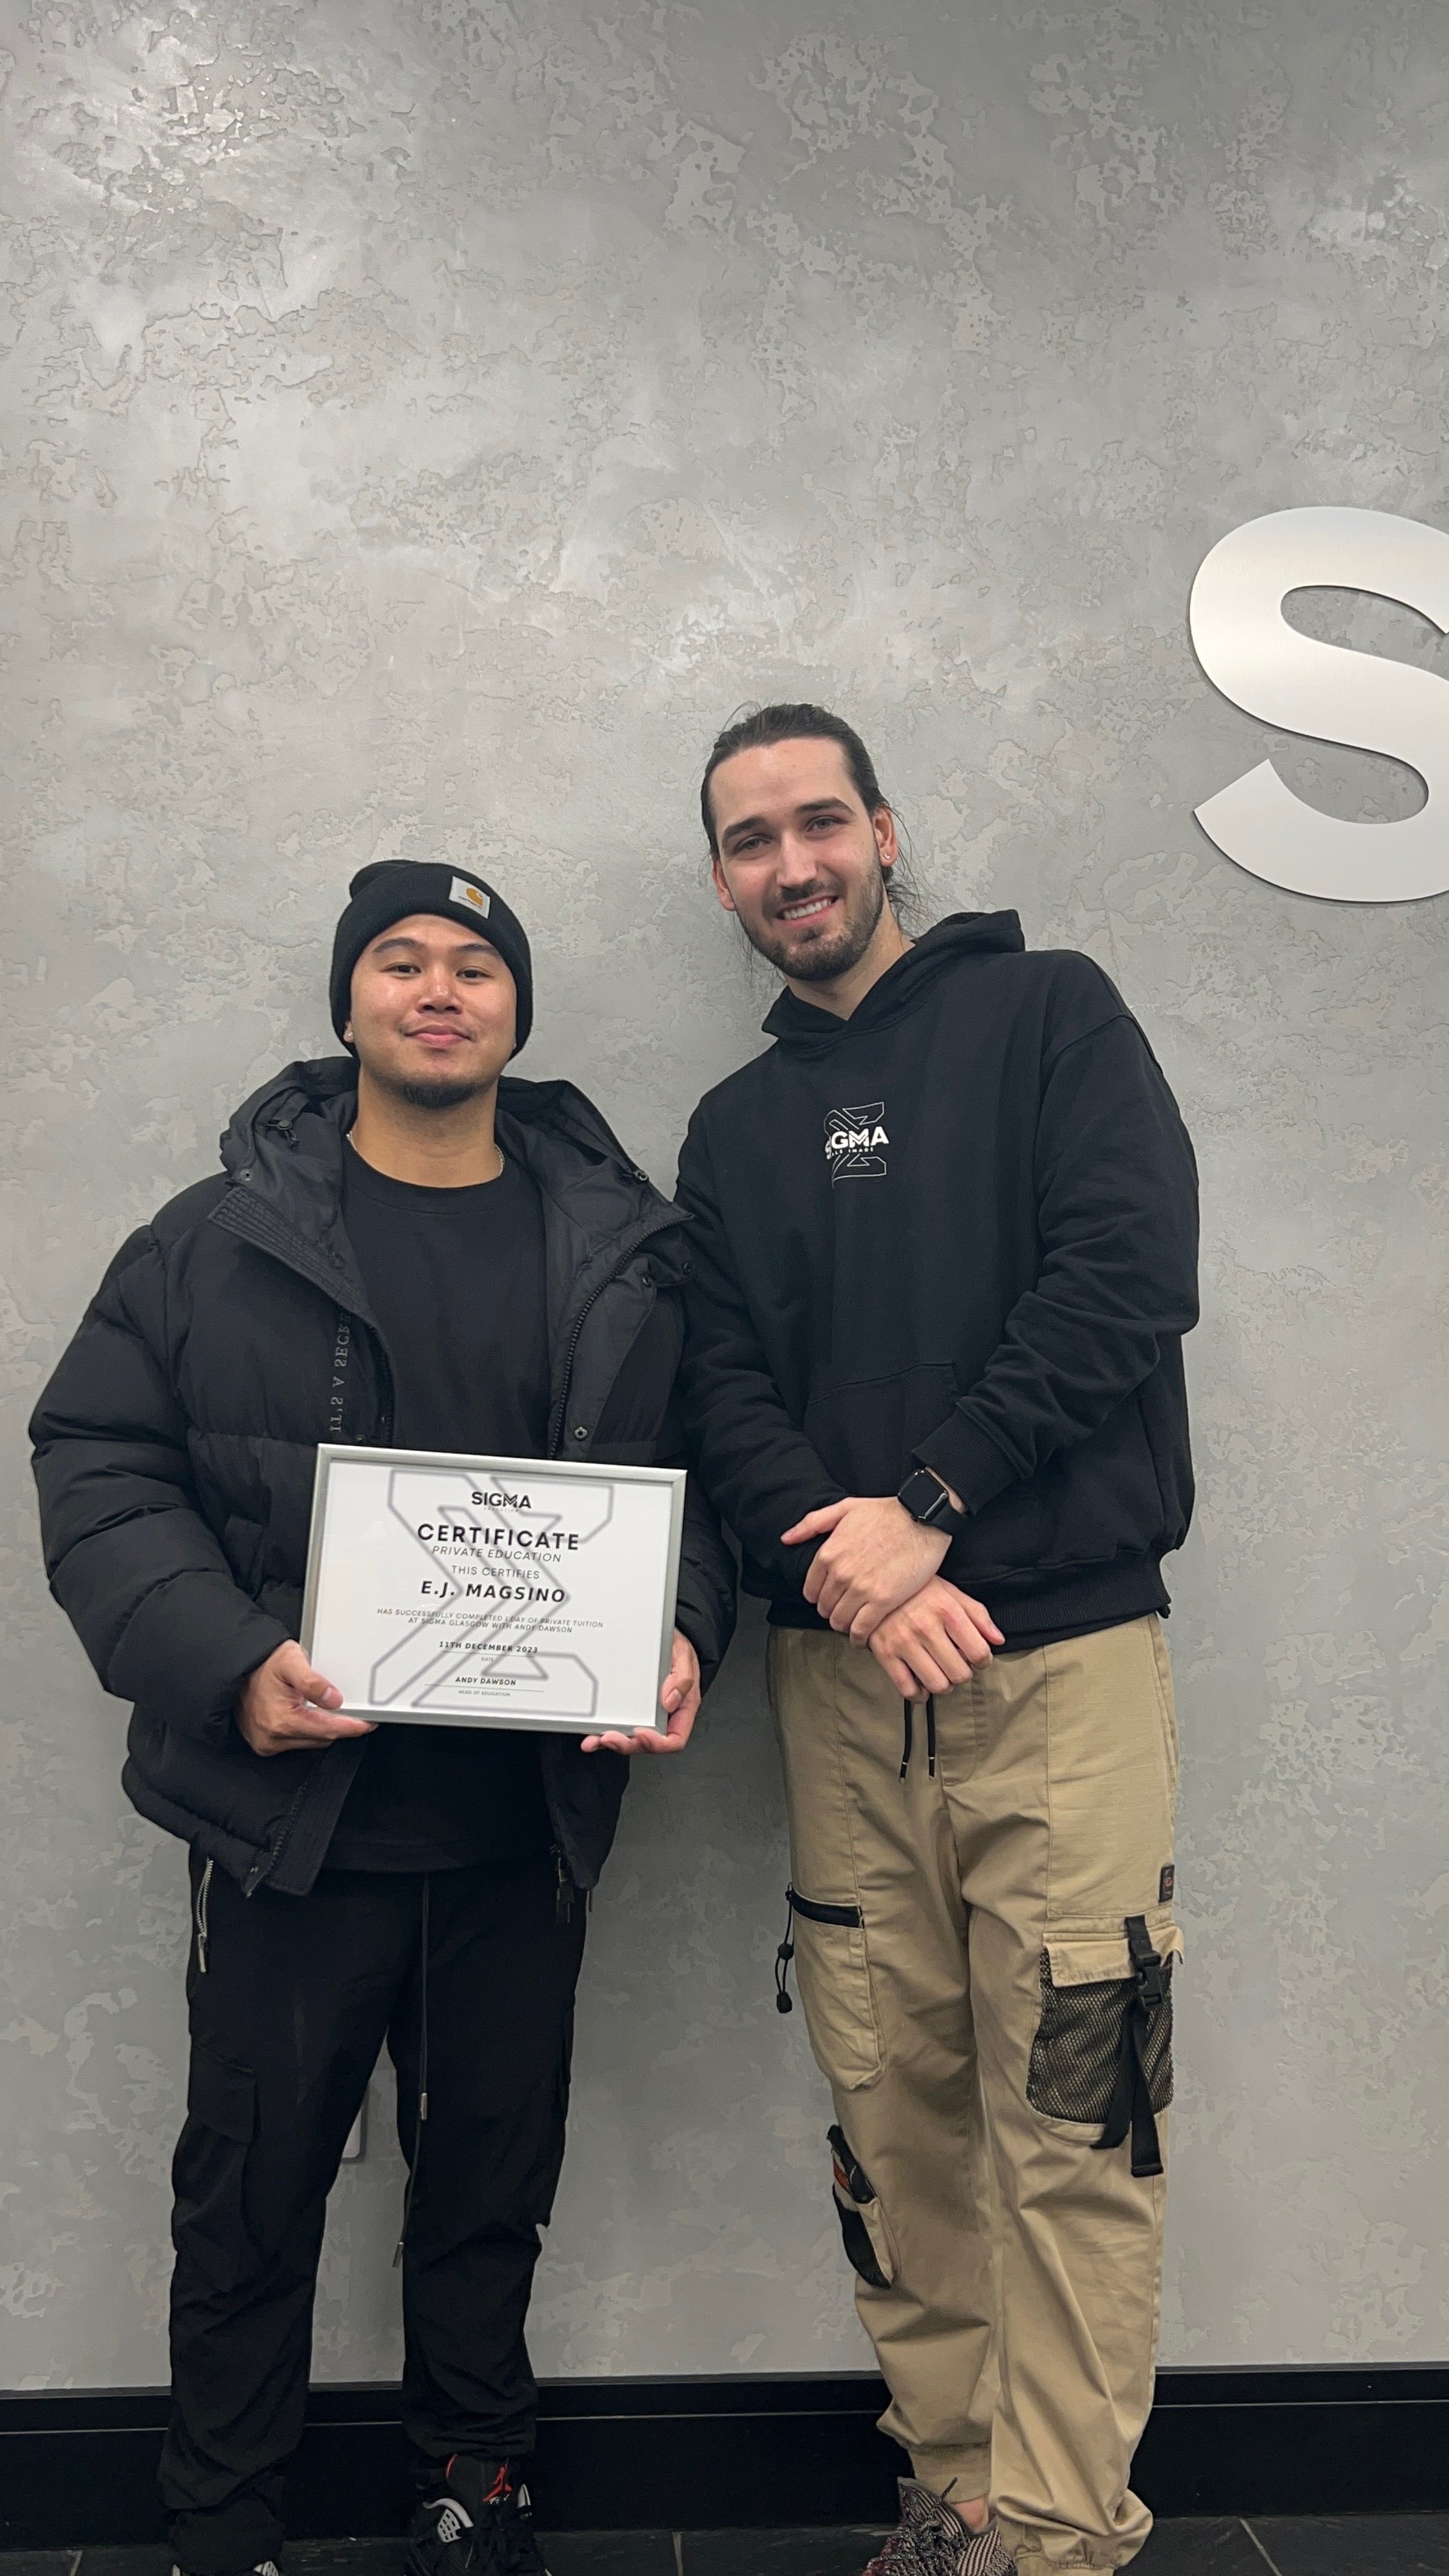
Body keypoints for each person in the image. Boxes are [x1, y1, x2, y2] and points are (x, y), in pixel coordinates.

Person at [31, 860, 735, 2576]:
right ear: (348, 1003)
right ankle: (224, 2529)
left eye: (474, 965)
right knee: (250, 2195)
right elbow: (97, 1461)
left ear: (515, 1010)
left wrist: (682, 1630)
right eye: (400, 962)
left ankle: (473, 2490)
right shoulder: (215, 1236)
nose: (438, 989)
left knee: (491, 2186)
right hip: (294, 1828)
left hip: (522, 1828)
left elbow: (688, 1488)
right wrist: (224, 1662)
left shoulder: (625, 1250)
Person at [675, 705, 1199, 2576]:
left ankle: (1057, 2538)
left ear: (885, 833)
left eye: (820, 822)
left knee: (1073, 2115)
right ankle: (958, 2483)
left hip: (1056, 1672)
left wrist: (934, 1507)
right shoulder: (729, 1132)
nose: (791, 864)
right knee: (888, 2107)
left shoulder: (1048, 1015)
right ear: (724, 877)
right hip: (837, 1684)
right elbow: (714, 1383)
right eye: (750, 839)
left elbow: (1128, 1271)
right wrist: (860, 1568)